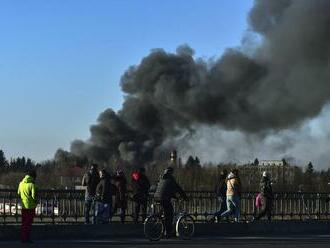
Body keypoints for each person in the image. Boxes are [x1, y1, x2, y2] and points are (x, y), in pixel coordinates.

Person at [154, 167, 188, 238]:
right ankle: (168, 232)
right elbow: (178, 188)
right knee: (170, 214)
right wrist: (185, 197)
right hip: (164, 198)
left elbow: (165, 190)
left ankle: (163, 229)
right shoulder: (171, 179)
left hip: (156, 197)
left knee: (165, 214)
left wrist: (174, 197)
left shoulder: (161, 178)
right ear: (170, 172)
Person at [18, 170, 37, 243]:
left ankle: (23, 238)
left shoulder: (21, 183)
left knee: (23, 223)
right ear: (33, 177)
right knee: (28, 223)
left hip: (23, 206)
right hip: (30, 207)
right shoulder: (32, 185)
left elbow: (18, 192)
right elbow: (33, 196)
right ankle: (27, 238)